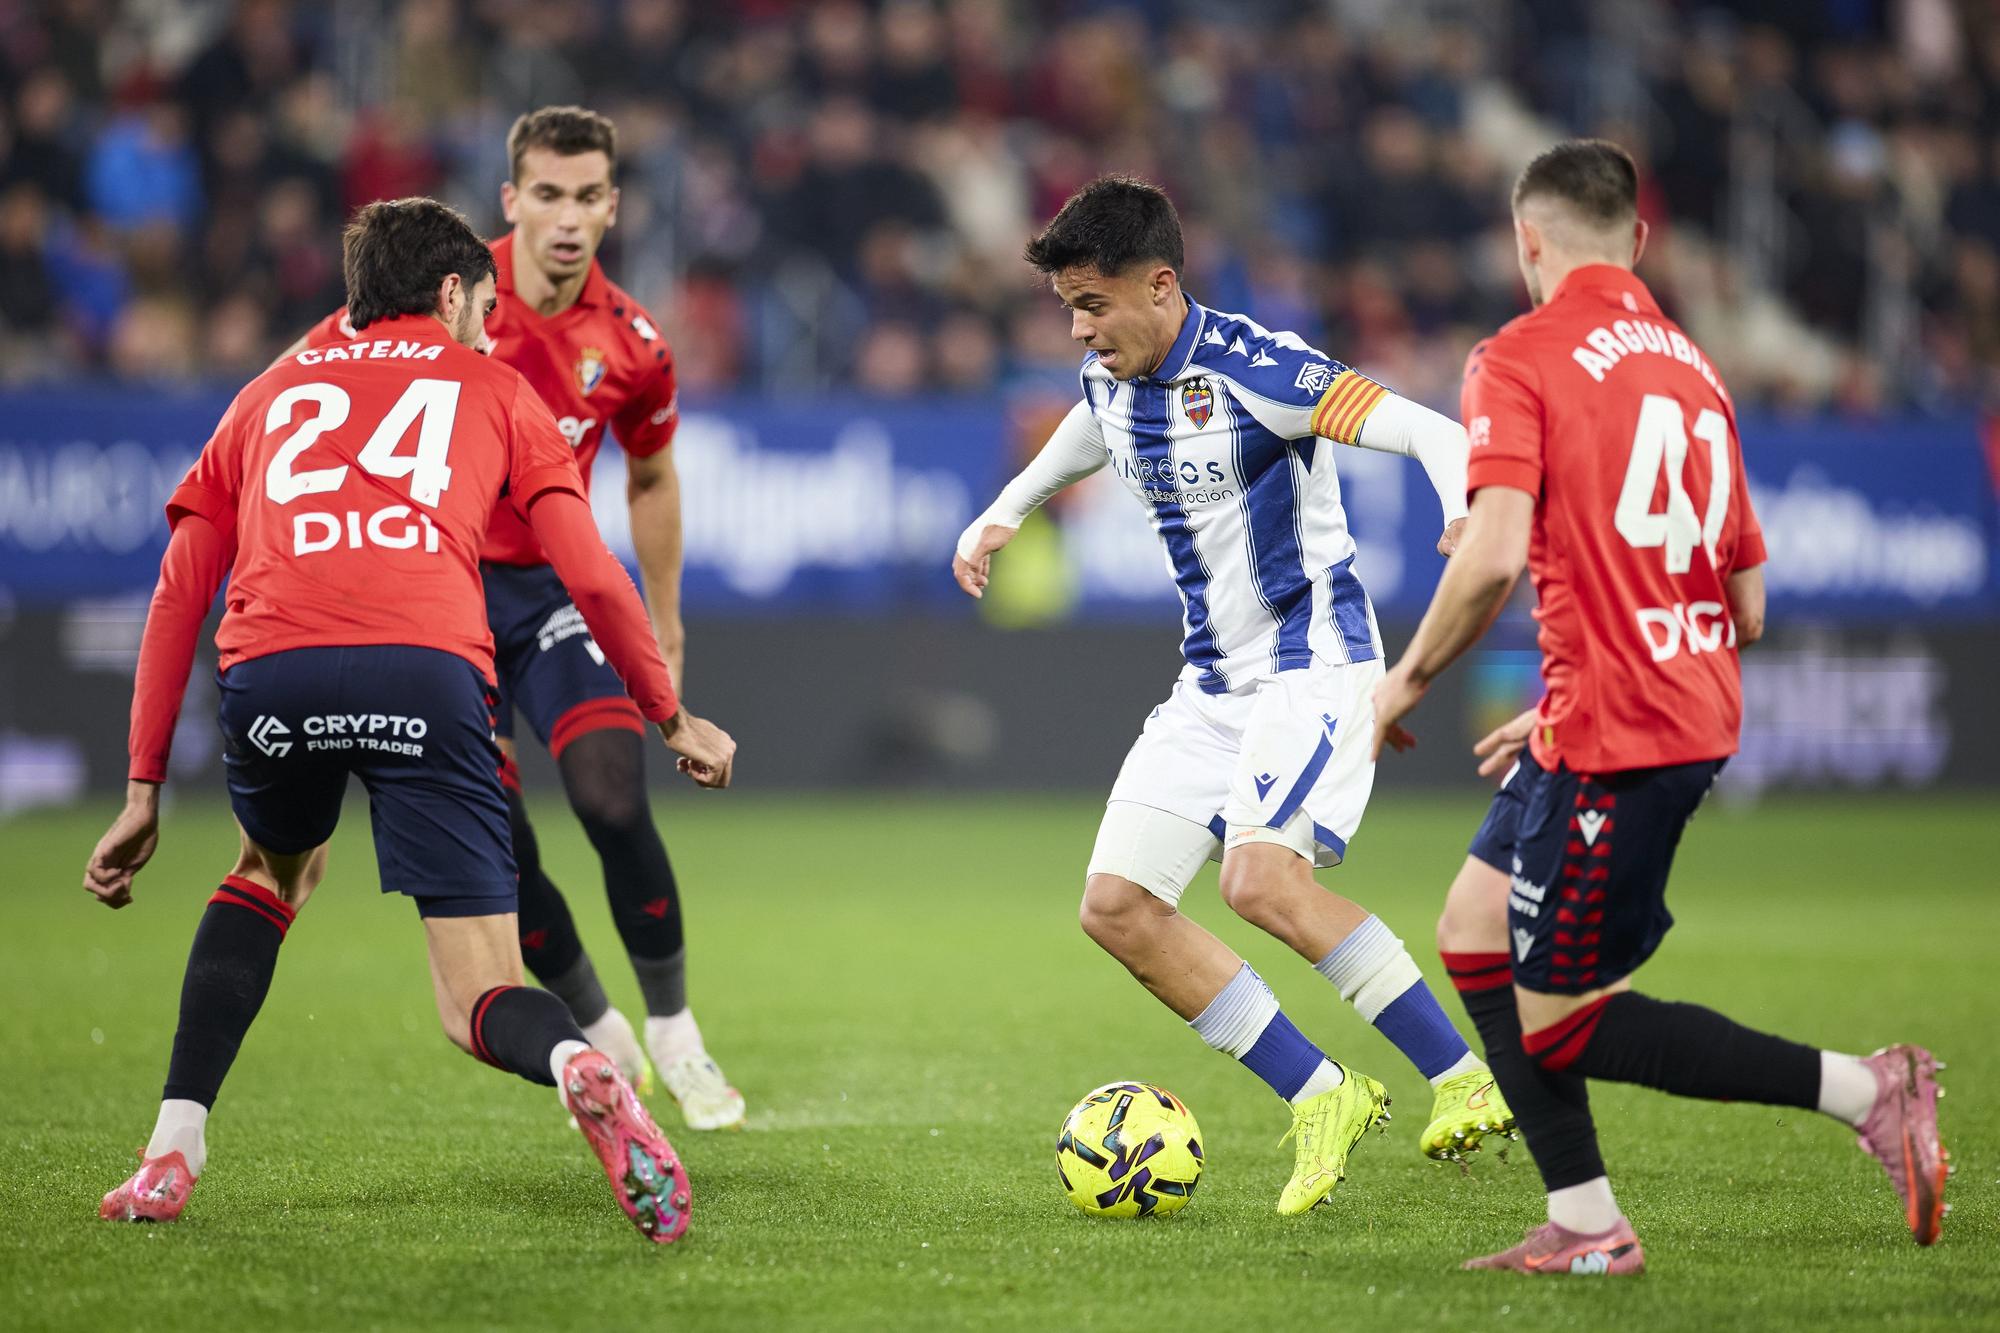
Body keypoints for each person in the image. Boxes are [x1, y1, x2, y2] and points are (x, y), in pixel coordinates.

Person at [88, 197, 737, 1245]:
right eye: (482, 302)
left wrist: (142, 786)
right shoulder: (498, 389)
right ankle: (576, 1057)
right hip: (427, 671)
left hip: (272, 672)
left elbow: (177, 591)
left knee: (270, 873)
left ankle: (173, 1145)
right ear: (449, 293)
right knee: (476, 996)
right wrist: (669, 713)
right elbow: (588, 572)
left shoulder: (267, 392)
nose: (490, 321)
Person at [1372, 139, 1948, 1274]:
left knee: (1567, 1020)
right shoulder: (1694, 367)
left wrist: (1404, 680)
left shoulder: (1516, 357)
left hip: (1619, 730)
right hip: (1652, 706)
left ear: (1525, 240)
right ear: (1638, 240)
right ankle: (1584, 1222)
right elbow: (1747, 605)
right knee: (1472, 929)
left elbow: (1490, 555)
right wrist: (1569, 691)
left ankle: (1869, 1089)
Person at [953, 176, 1514, 1216]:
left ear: (1161, 286)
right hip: (1210, 682)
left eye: (1092, 305)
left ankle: (1463, 1075)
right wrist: (1005, 510)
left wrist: (1458, 511)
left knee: (1259, 881)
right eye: (1068, 308)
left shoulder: (1264, 371)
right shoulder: (1112, 375)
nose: (1078, 331)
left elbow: (1435, 433)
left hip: (1311, 658)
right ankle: (1323, 1092)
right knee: (1117, 907)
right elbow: (1091, 426)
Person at [287, 107, 742, 1130]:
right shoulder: (443, 295)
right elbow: (303, 377)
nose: (567, 217)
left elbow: (653, 476)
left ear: (614, 206)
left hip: (547, 595)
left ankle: (677, 1033)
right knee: (502, 845)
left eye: (587, 196)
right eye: (547, 194)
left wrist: (666, 624)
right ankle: (602, 1032)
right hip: (438, 600)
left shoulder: (634, 343)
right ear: (511, 200)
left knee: (613, 795)